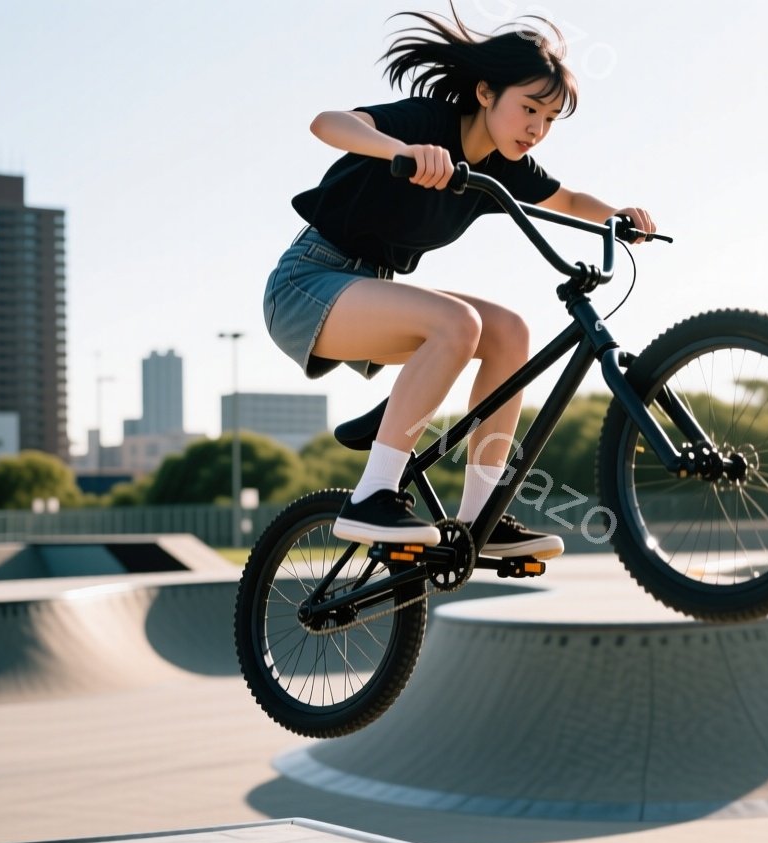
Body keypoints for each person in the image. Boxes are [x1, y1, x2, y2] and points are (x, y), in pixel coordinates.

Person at [263, 7, 655, 559]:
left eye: (549, 119)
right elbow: (328, 123)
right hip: (308, 282)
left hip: (371, 292)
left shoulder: (504, 167)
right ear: (486, 94)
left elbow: (566, 201)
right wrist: (401, 150)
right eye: (529, 109)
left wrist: (618, 216)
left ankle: (480, 516)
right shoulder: (428, 125)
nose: (536, 129)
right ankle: (371, 495)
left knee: (509, 332)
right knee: (458, 323)